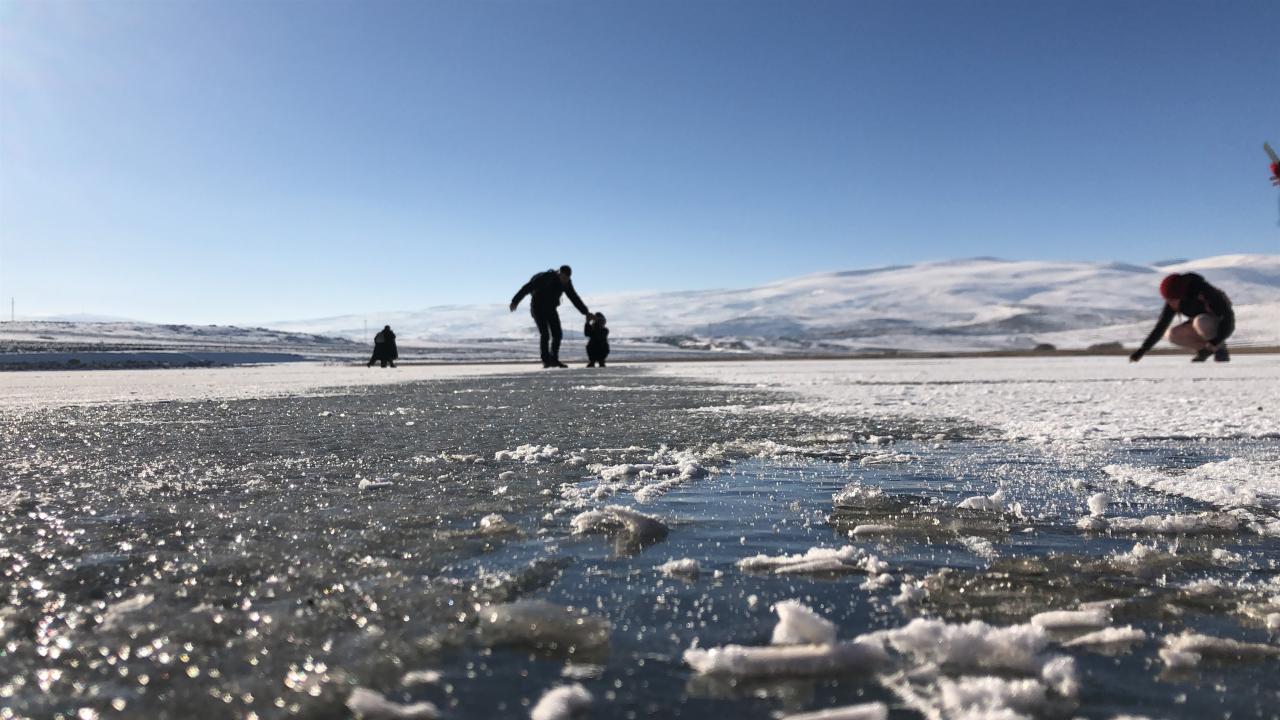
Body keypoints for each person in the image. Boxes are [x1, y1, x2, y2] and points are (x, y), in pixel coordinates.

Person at [1129, 273, 1234, 363]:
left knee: (1201, 321)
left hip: (1216, 326)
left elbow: (1228, 320)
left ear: (1181, 295)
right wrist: (1143, 350)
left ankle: (1220, 350)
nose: (1171, 303)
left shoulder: (1206, 292)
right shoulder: (1173, 300)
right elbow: (1161, 325)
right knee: (1171, 334)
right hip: (1200, 327)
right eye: (1168, 300)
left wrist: (1215, 342)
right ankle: (1204, 351)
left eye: (1173, 299)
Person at [510, 265, 590, 368]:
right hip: (537, 308)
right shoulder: (547, 277)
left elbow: (574, 297)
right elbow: (528, 287)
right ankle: (546, 360)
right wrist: (515, 301)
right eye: (564, 278)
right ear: (559, 273)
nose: (565, 281)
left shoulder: (566, 283)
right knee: (545, 334)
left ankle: (554, 359)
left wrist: (586, 312)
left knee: (557, 333)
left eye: (567, 279)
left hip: (551, 309)